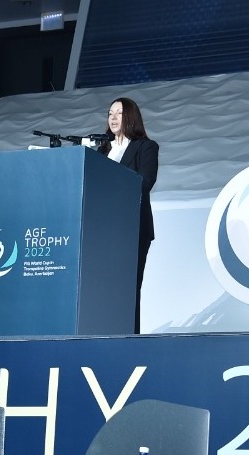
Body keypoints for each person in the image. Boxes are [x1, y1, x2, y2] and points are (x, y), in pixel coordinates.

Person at [97, 97, 159, 334]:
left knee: (128, 287)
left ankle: (129, 339)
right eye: (110, 113)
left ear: (131, 117)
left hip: (133, 228)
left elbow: (145, 182)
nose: (113, 118)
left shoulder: (145, 147)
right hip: (103, 230)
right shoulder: (101, 150)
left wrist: (113, 180)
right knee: (103, 288)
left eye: (119, 113)